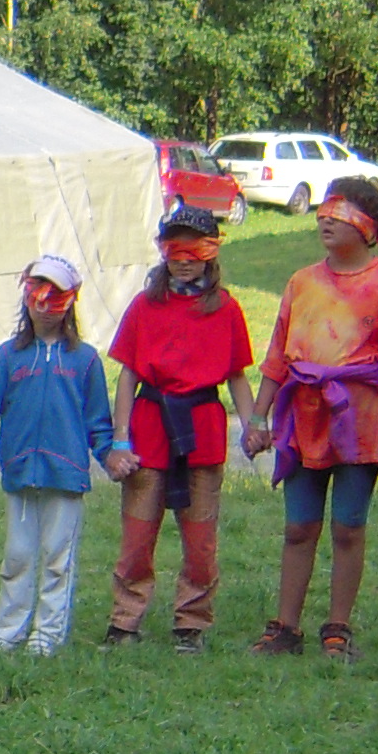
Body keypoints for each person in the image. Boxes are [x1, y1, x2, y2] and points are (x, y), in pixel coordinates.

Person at [246, 181, 378, 662]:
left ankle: (337, 627)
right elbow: (278, 354)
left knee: (349, 527)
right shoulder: (302, 282)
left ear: (368, 229)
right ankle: (286, 627)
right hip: (303, 418)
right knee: (298, 527)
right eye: (324, 211)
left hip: (358, 423)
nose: (325, 220)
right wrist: (258, 416)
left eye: (339, 214)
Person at [0, 256, 126, 655]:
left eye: (54, 297)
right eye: (36, 294)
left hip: (67, 475)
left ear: (70, 302)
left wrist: (109, 455)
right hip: (20, 472)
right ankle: (6, 632)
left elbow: (98, 421)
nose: (44, 306)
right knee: (18, 556)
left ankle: (47, 636)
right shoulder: (6, 358)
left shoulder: (85, 360)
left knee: (59, 558)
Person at [102, 214, 259, 652]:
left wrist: (253, 425)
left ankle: (191, 622)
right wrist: (120, 439)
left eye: (195, 249)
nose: (185, 260)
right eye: (175, 249)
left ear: (212, 252)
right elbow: (128, 375)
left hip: (202, 431)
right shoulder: (144, 306)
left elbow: (237, 375)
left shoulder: (225, 309)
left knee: (200, 539)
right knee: (137, 535)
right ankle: (124, 621)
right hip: (150, 428)